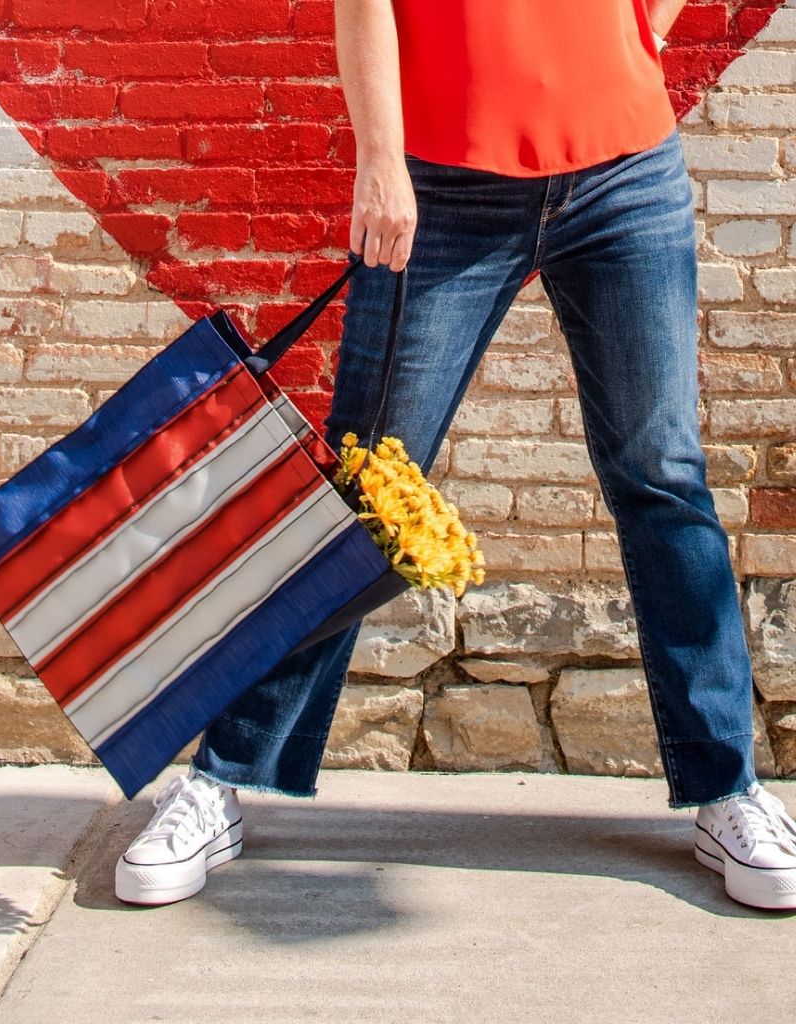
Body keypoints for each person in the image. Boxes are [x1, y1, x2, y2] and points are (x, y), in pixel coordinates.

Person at [115, 0, 796, 910]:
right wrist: (381, 163)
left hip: (627, 171)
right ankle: (221, 779)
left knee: (664, 478)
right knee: (365, 487)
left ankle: (726, 787)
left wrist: (646, 30)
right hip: (445, 186)